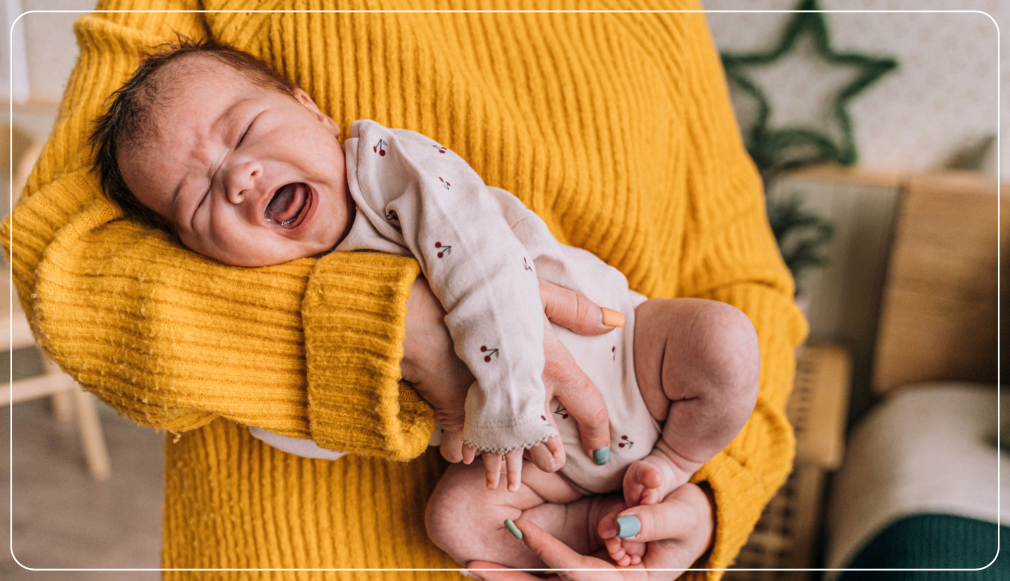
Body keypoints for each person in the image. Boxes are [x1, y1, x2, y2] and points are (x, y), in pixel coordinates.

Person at [2, 1, 807, 579]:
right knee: (457, 513)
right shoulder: (181, 87)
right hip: (322, 552)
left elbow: (750, 287)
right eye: (203, 198)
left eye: (247, 136)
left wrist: (697, 504)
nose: (240, 177)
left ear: (307, 111)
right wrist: (402, 330)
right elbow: (63, 261)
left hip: (625, 451)